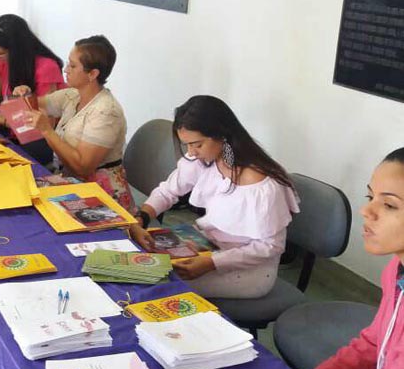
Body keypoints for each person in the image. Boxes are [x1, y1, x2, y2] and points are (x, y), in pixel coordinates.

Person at [128, 95, 299, 299]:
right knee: (135, 262)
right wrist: (143, 217)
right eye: (186, 145)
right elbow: (168, 191)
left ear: (221, 135)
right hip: (207, 246)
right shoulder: (206, 159)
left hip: (249, 271)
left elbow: (269, 247)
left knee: (153, 284)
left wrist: (212, 263)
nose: (192, 152)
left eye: (197, 145)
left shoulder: (263, 185)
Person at [303, 147, 404, 369]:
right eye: (370, 196)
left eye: (389, 205)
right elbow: (374, 343)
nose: (366, 211)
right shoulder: (396, 268)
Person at [12, 35, 136, 212]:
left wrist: (47, 131)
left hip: (101, 194)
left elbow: (82, 168)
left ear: (92, 74)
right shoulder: (72, 95)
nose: (65, 69)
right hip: (71, 181)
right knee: (20, 192)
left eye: (72, 66)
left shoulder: (106, 112)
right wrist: (24, 94)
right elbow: (36, 104)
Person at [0, 13, 65, 164]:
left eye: (0, 53)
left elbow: (44, 124)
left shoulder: (46, 67)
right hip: (13, 135)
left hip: (37, 144)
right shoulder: (6, 62)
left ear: (17, 50)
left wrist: (2, 120)